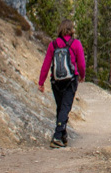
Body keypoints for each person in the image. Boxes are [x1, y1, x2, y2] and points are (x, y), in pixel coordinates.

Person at [38, 19, 86, 148]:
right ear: (71, 30)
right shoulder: (76, 44)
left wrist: (41, 82)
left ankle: (63, 136)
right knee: (65, 108)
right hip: (70, 80)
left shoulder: (53, 45)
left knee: (61, 107)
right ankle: (57, 137)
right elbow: (81, 63)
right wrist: (82, 75)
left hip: (56, 81)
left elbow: (46, 64)